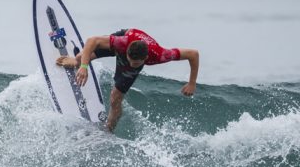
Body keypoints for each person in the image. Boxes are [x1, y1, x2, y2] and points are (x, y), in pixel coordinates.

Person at [56, 28, 199, 133]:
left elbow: (193, 54)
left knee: (115, 98)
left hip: (134, 50)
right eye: (131, 61)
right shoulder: (121, 43)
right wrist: (83, 66)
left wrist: (192, 83)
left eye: (136, 63)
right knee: (82, 56)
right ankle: (76, 61)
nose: (132, 65)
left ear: (145, 59)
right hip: (125, 41)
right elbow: (92, 40)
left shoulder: (160, 55)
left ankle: (108, 129)